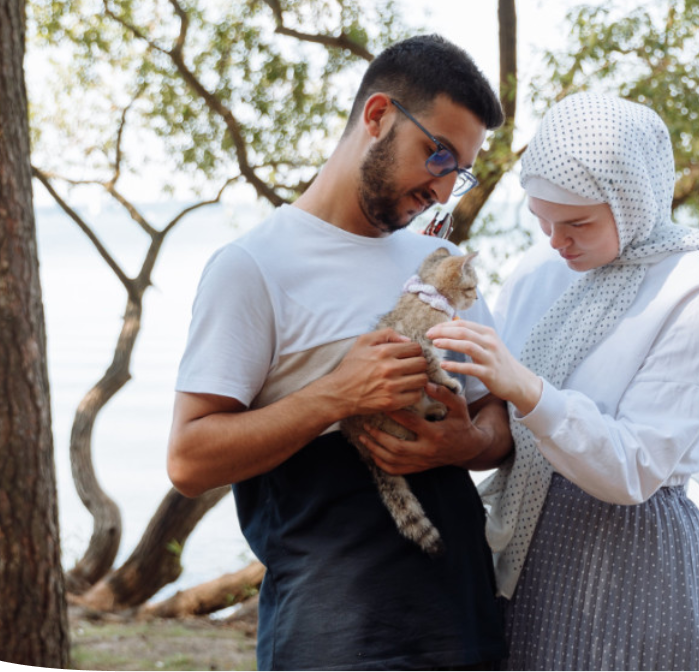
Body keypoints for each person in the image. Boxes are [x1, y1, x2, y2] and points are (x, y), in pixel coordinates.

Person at [168, 35, 513, 672]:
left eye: (457, 171)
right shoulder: (252, 267)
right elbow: (189, 459)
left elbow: (499, 417)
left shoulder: (436, 265)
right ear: (378, 116)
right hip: (334, 635)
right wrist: (336, 394)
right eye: (437, 155)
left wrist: (466, 446)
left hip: (465, 624)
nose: (442, 191)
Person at [423, 92, 699, 671]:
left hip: (632, 567)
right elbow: (499, 421)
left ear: (631, 201)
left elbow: (636, 468)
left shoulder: (697, 284)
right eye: (542, 219)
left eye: (577, 222)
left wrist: (527, 389)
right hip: (522, 561)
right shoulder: (537, 273)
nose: (556, 241)